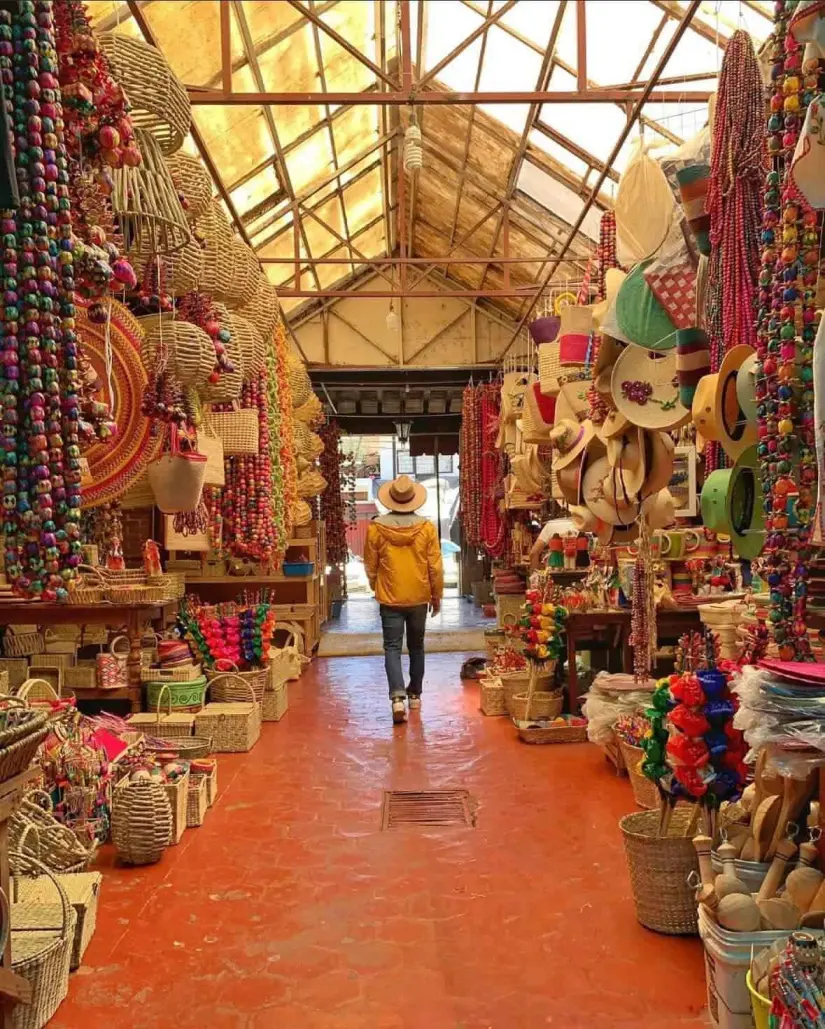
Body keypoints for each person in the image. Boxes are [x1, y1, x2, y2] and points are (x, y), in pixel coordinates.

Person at [364, 475, 443, 724]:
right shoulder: (427, 528)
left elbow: (370, 563)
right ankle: (415, 695)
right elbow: (435, 567)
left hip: (390, 596)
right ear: (413, 500)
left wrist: (375, 583)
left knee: (392, 647)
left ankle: (397, 698)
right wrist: (436, 594)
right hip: (419, 596)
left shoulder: (377, 528)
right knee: (417, 646)